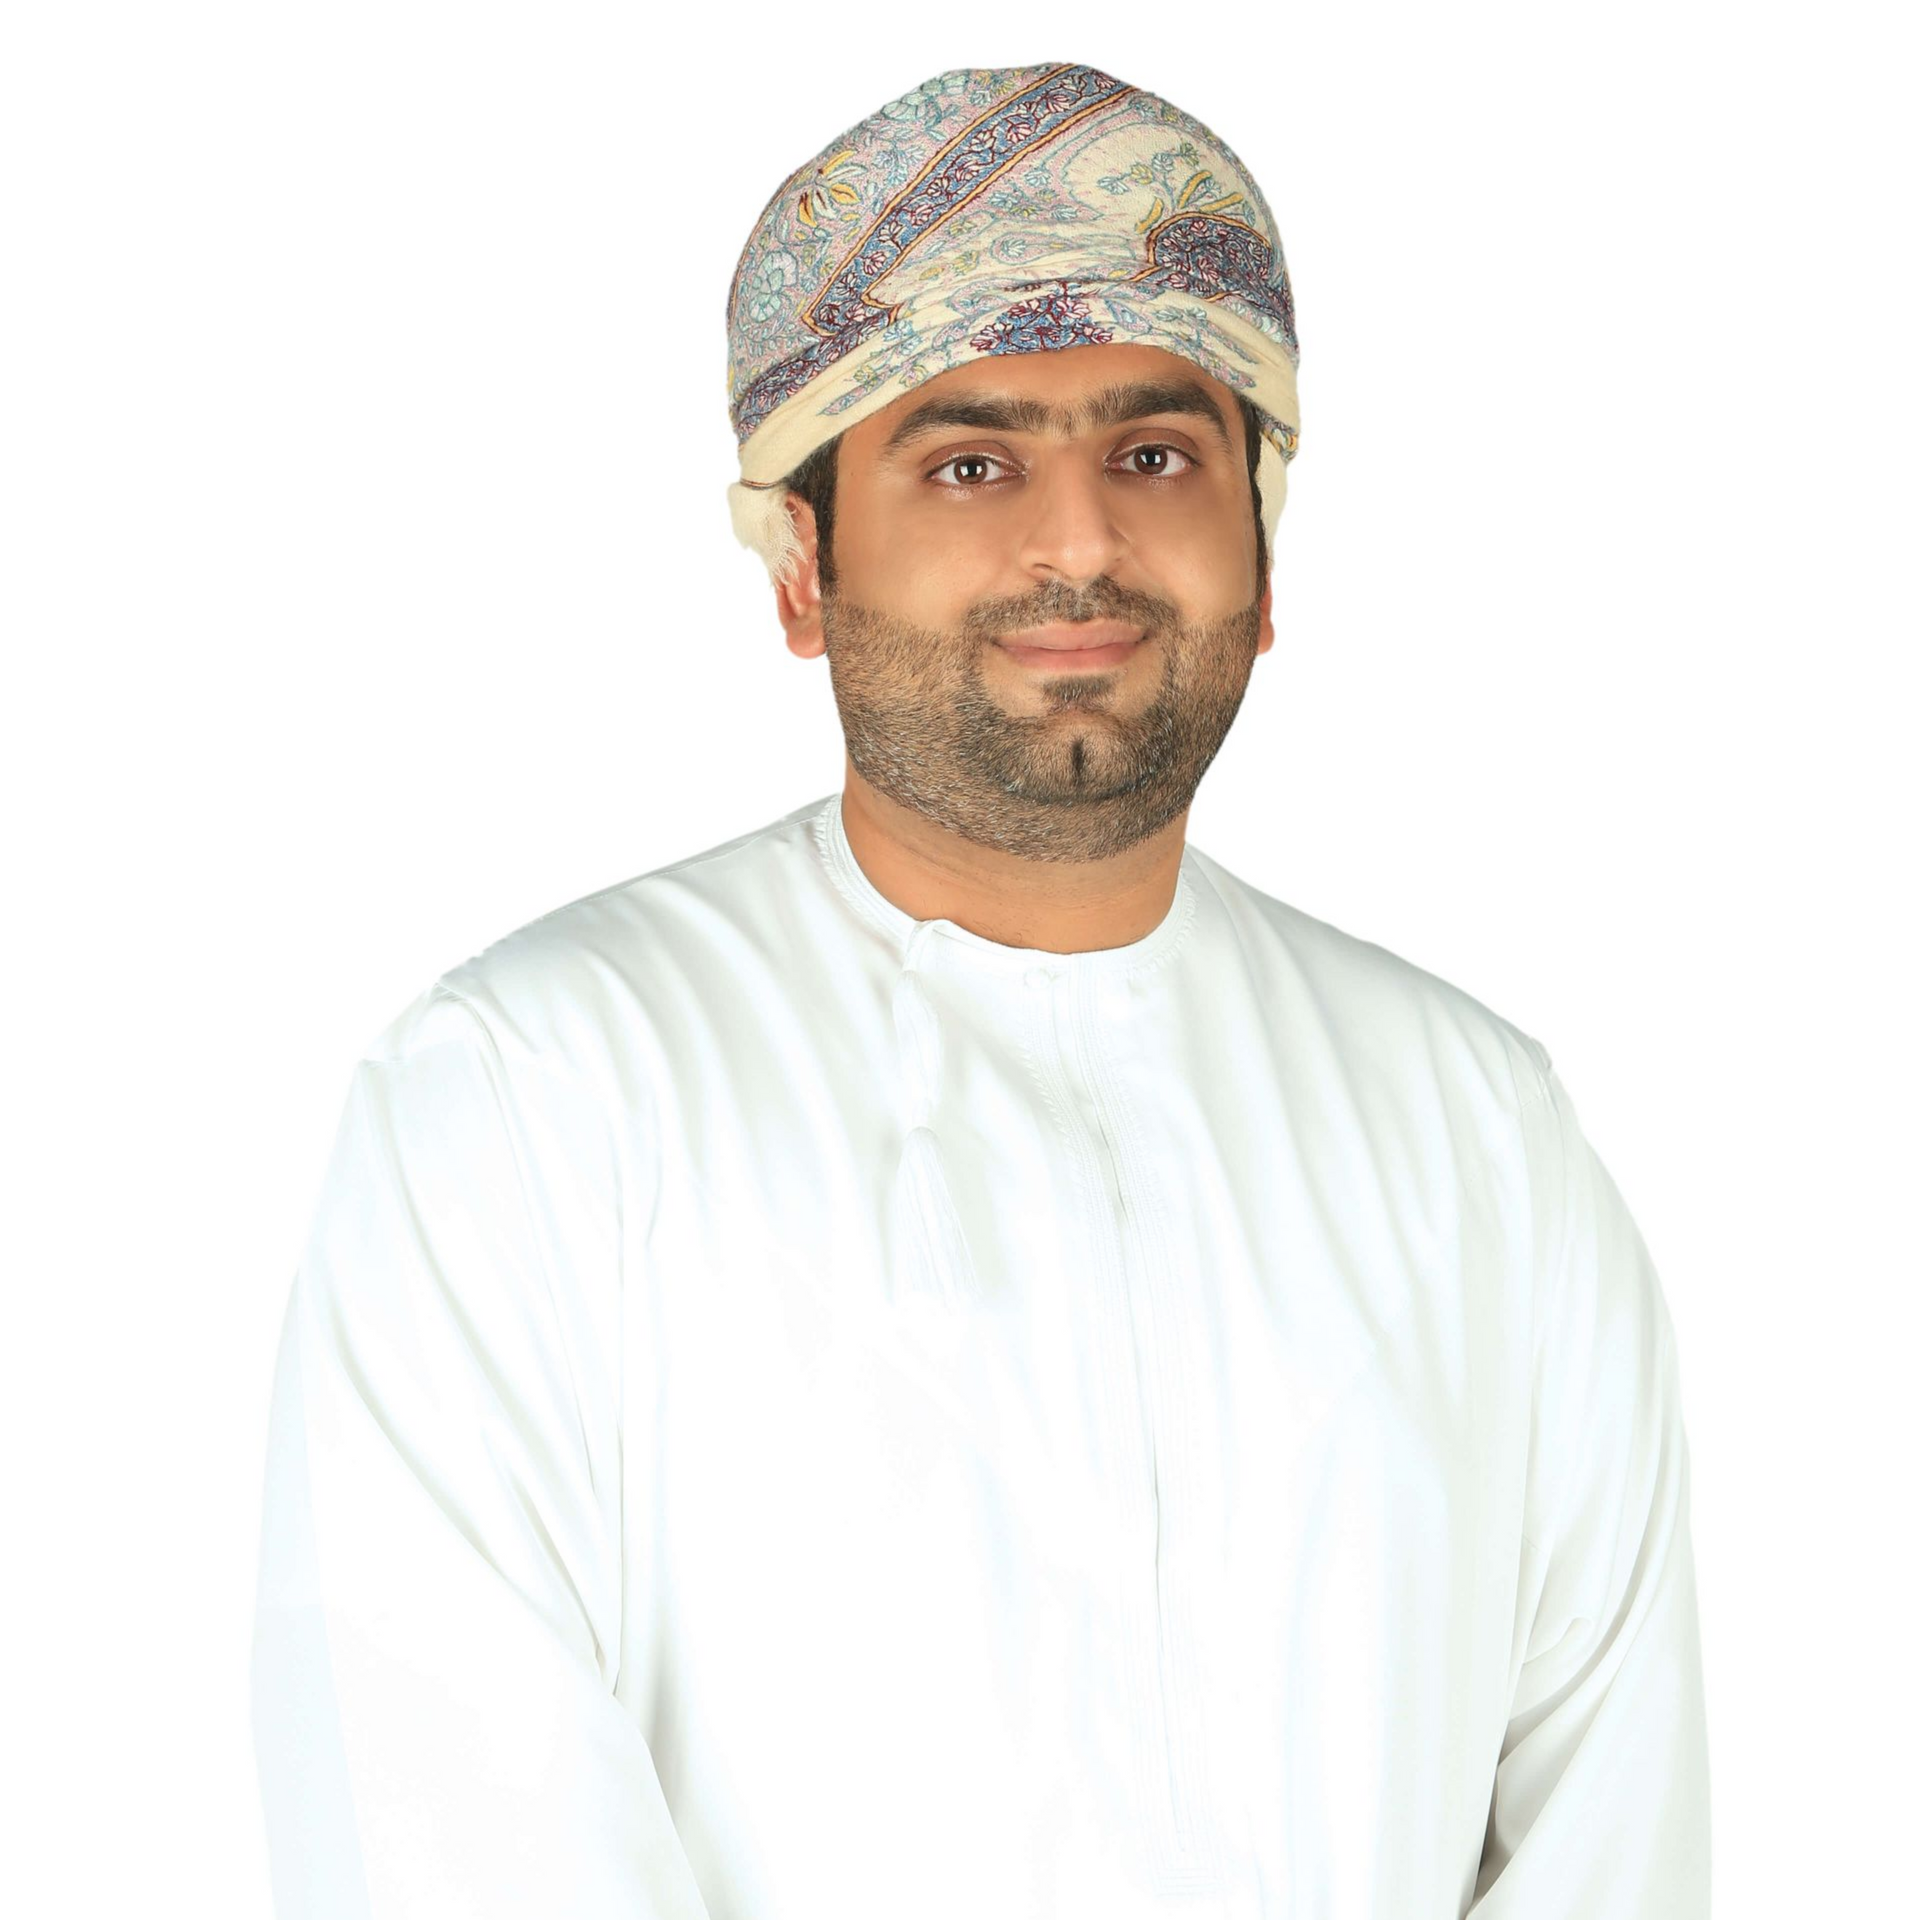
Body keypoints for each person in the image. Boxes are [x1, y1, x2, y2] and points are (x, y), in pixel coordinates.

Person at [249, 59, 1711, 1920]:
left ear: (1264, 553)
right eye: (969, 462)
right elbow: (444, 1826)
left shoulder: (1477, 1137)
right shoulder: (537, 1096)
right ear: (802, 567)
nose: (1079, 543)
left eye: (1157, 454)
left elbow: (1614, 1836)